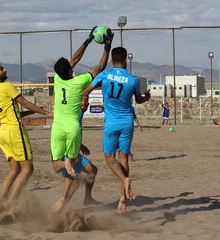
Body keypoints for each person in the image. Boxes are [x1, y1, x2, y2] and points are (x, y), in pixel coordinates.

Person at [82, 47, 151, 213]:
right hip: (127, 122)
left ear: (112, 61)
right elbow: (139, 100)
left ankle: (125, 180)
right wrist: (146, 97)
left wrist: (85, 100)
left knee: (109, 158)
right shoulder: (133, 79)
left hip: (111, 123)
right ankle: (122, 199)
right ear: (126, 60)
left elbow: (86, 91)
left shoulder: (104, 75)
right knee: (124, 159)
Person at [0, 61, 53, 207]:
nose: (5, 69)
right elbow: (25, 102)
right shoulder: (7, 86)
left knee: (14, 169)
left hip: (3, 132)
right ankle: (10, 204)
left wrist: (33, 111)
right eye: (1, 68)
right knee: (28, 169)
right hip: (15, 131)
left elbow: (13, 111)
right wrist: (47, 113)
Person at [50, 26, 113, 179]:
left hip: (57, 127)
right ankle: (68, 163)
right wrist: (107, 45)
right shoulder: (78, 82)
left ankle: (65, 164)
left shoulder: (57, 79)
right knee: (72, 160)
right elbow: (100, 68)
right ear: (70, 71)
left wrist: (87, 40)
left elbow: (75, 59)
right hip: (73, 127)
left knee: (55, 166)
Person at [50, 105, 102, 214]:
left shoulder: (79, 113)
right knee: (74, 183)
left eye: (87, 100)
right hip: (66, 152)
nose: (86, 103)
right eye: (84, 100)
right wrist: (73, 155)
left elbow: (72, 134)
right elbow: (67, 134)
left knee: (92, 170)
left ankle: (87, 198)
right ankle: (58, 207)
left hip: (72, 149)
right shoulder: (75, 112)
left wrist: (80, 145)